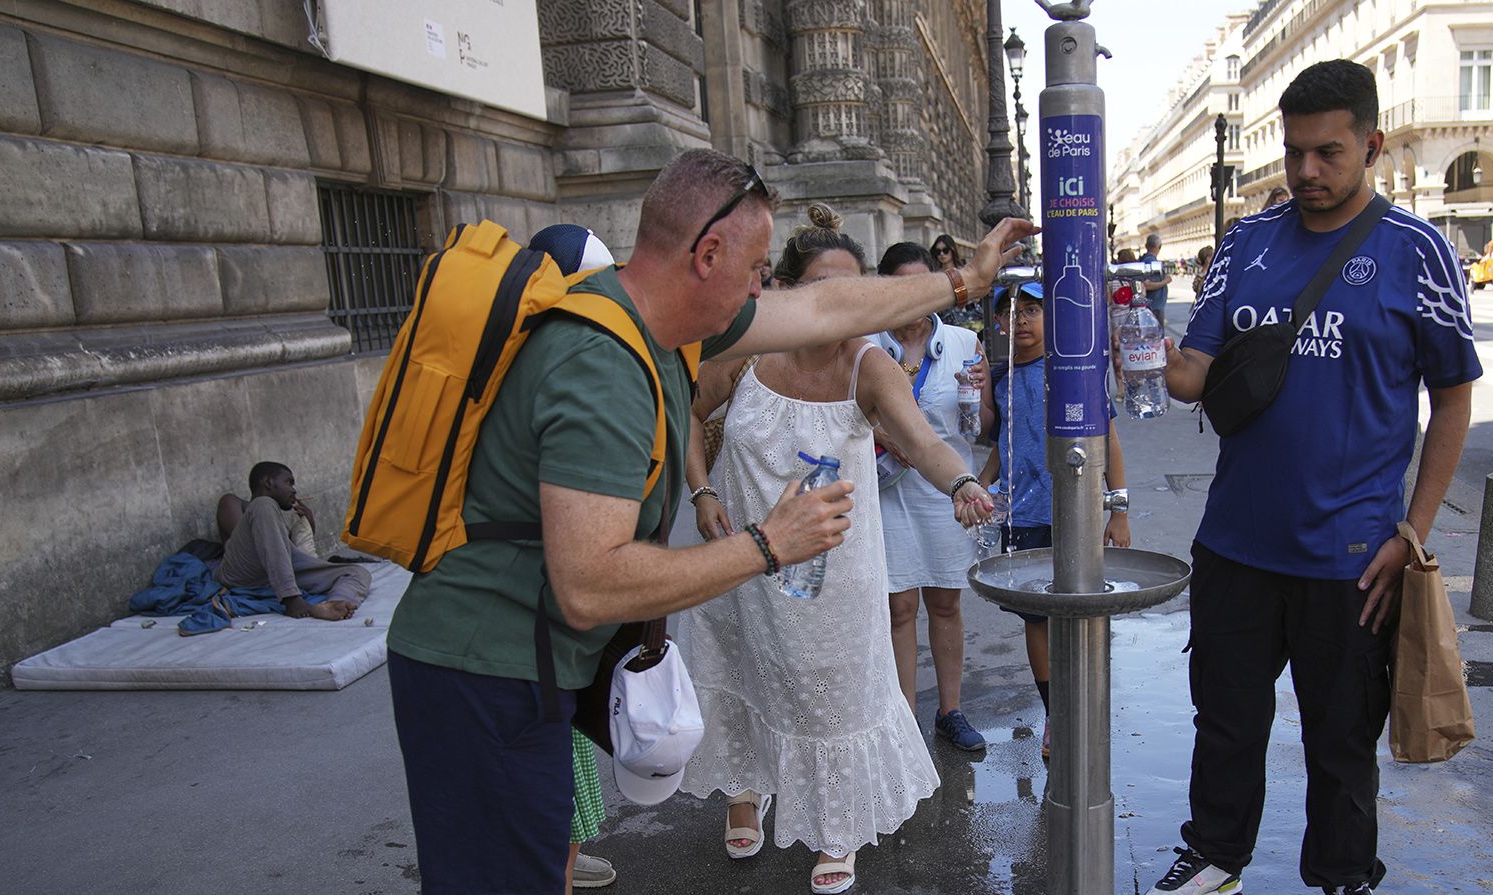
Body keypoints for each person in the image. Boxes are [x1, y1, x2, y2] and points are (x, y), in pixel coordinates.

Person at [385, 148, 1037, 895]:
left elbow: (828, 308)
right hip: (482, 672)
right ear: (708, 254)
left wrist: (964, 280)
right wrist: (769, 544)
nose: (766, 288)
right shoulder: (602, 363)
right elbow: (590, 585)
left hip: (519, 667)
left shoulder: (664, 329)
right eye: (759, 268)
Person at [1152, 60, 1482, 895]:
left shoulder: (1419, 252)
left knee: (1342, 738)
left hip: (1353, 554)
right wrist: (1162, 362)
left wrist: (1414, 532)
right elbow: (1198, 371)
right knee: (1225, 722)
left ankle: (1341, 874)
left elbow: (1452, 401)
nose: (1306, 172)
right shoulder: (1246, 244)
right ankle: (1217, 855)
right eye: (1296, 153)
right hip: (1235, 543)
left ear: (1371, 144)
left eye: (1328, 153)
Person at [679, 205, 993, 895]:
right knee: (743, 669)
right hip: (740, 558)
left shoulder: (868, 364)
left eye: (855, 293)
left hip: (833, 574)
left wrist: (963, 480)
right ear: (786, 292)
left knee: (833, 694)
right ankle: (744, 784)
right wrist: (703, 493)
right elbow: (683, 414)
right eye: (825, 291)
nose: (840, 308)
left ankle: (837, 823)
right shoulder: (745, 351)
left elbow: (921, 440)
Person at [977, 282, 1132, 762]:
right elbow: (1003, 447)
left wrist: (1118, 509)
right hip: (1021, 516)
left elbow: (1109, 439)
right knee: (1037, 620)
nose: (1020, 320)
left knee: (1082, 614)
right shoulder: (1000, 380)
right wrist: (975, 490)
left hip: (1075, 512)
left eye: (1032, 310)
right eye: (1011, 312)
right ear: (999, 323)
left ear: (1052, 318)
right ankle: (1055, 716)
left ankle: (1086, 707)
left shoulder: (1072, 371)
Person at [526, 223, 622, 894]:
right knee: (552, 747)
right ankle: (554, 857)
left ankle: (565, 845)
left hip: (554, 611)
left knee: (572, 743)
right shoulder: (560, 358)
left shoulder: (548, 346)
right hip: (534, 605)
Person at [867, 241, 990, 752]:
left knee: (944, 603)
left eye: (925, 284)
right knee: (898, 609)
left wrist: (982, 393)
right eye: (904, 286)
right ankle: (903, 720)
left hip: (946, 490)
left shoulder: (965, 342)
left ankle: (951, 710)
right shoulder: (866, 345)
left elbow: (981, 430)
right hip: (887, 485)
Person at [216, 462, 369, 621]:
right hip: (243, 575)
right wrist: (291, 595)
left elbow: (286, 554)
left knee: (357, 572)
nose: (294, 490)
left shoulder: (273, 516)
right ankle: (291, 598)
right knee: (263, 504)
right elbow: (255, 545)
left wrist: (309, 524)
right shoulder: (236, 503)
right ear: (268, 483)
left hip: (276, 575)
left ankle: (334, 604)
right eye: (289, 482)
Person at [1140, 232, 1173, 327]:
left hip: (1153, 306)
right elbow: (1147, 285)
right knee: (1156, 336)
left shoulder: (1146, 260)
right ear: (1158, 247)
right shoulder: (1151, 261)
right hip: (1154, 306)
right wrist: (1165, 281)